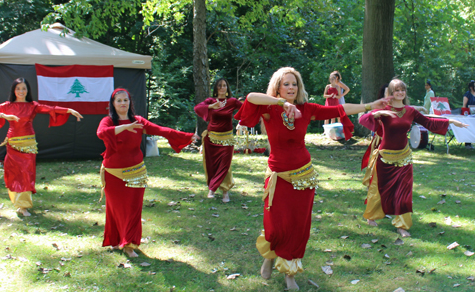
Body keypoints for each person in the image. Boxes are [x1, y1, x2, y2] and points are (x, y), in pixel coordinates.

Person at [234, 67, 390, 290]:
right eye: (286, 84)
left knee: (298, 226)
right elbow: (250, 98)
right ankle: (270, 255)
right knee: (276, 225)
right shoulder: (268, 107)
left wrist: (370, 106)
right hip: (278, 176)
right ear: (277, 87)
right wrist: (281, 103)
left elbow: (341, 107)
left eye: (294, 84)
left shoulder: (306, 109)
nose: (291, 88)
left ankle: (290, 273)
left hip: (303, 177)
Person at [359, 79, 468, 237]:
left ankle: (402, 226)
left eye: (402, 90)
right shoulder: (384, 109)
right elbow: (363, 119)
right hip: (384, 157)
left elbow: (428, 122)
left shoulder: (410, 111)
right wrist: (376, 113)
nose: (400, 93)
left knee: (404, 192)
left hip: (404, 157)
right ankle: (372, 216)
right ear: (391, 93)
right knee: (379, 189)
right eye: (397, 90)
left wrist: (450, 121)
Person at [97, 88, 198, 258]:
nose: (123, 103)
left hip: (136, 172)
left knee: (133, 209)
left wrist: (186, 136)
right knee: (115, 208)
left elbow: (161, 130)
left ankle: (129, 244)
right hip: (113, 173)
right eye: (119, 100)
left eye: (126, 100)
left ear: (130, 103)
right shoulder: (108, 121)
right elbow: (101, 133)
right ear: (113, 104)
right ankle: (116, 240)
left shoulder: (138, 121)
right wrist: (124, 127)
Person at [0, 77, 83, 217]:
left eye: (24, 88)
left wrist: (68, 110)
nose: (21, 91)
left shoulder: (32, 105)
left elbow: (51, 109)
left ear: (28, 90)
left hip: (29, 145)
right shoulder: (8, 105)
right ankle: (18, 203)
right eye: (18, 88)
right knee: (14, 173)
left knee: (26, 173)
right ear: (14, 90)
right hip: (13, 144)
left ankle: (23, 206)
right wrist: (4, 116)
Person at [194, 78, 242, 203]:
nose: (222, 88)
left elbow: (245, 109)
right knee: (213, 165)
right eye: (219, 86)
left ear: (227, 88)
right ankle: (213, 188)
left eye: (224, 85)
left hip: (227, 138)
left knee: (225, 165)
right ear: (216, 88)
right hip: (212, 138)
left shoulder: (232, 101)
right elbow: (197, 108)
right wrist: (211, 106)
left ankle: (223, 191)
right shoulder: (210, 101)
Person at [462, 80, 475, 149]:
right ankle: (467, 144)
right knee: (468, 127)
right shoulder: (467, 94)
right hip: (468, 115)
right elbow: (464, 105)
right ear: (471, 87)